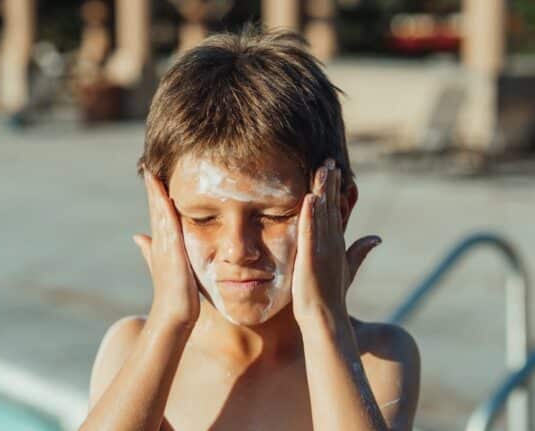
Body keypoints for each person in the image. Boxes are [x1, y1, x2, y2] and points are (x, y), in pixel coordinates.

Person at [80, 27, 420, 431]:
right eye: (202, 218)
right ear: (163, 215)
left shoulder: (376, 357)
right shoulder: (134, 347)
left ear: (339, 210)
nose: (237, 249)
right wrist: (169, 320)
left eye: (273, 215)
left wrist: (323, 324)